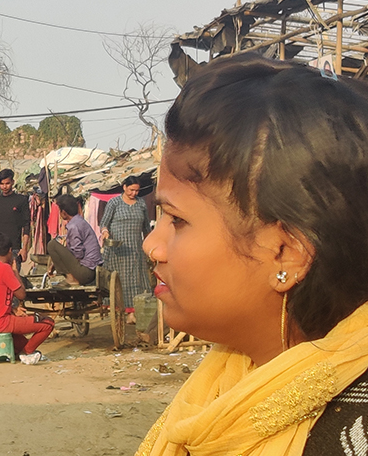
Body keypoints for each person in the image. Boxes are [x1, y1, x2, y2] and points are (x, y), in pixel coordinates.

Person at [136, 54, 368, 456]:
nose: (151, 246)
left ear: (285, 254)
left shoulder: (345, 436)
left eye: (176, 220)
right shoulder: (225, 382)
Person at [0, 233, 55, 364]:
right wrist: (15, 271)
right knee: (48, 323)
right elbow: (21, 294)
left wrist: (13, 309)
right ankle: (27, 353)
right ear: (10, 251)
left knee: (23, 341)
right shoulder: (5, 269)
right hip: (2, 322)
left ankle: (24, 351)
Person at [99, 175, 152, 324]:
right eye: (131, 190)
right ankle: (119, 310)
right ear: (124, 187)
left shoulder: (141, 203)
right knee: (120, 281)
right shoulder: (114, 203)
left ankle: (132, 313)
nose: (134, 193)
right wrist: (105, 232)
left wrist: (149, 245)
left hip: (135, 250)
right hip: (117, 250)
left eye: (136, 191)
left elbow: (146, 227)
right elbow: (104, 223)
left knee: (135, 280)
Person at [47, 194, 103, 286]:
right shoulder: (80, 222)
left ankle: (71, 279)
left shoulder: (74, 226)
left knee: (52, 245)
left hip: (86, 272)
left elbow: (78, 253)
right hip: (91, 269)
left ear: (64, 212)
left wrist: (63, 262)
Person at [0, 169, 30, 273]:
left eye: (7, 183)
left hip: (14, 248)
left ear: (12, 182)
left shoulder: (21, 200)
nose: (4, 187)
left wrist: (24, 248)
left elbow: (26, 225)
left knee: (13, 277)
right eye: (2, 184)